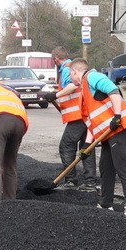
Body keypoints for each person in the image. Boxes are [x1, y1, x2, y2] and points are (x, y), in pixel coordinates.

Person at [67, 57, 126, 218]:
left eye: (69, 74)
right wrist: (86, 146)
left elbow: (113, 90)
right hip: (109, 132)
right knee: (106, 168)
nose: (69, 78)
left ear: (74, 71)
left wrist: (117, 116)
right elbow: (92, 121)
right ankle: (105, 204)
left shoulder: (92, 76)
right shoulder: (85, 89)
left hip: (120, 127)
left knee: (122, 166)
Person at [45, 46, 98, 190]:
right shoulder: (74, 66)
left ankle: (71, 181)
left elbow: (73, 85)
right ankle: (90, 182)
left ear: (56, 59)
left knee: (66, 146)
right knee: (86, 147)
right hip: (85, 114)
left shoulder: (67, 69)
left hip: (78, 116)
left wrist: (55, 95)